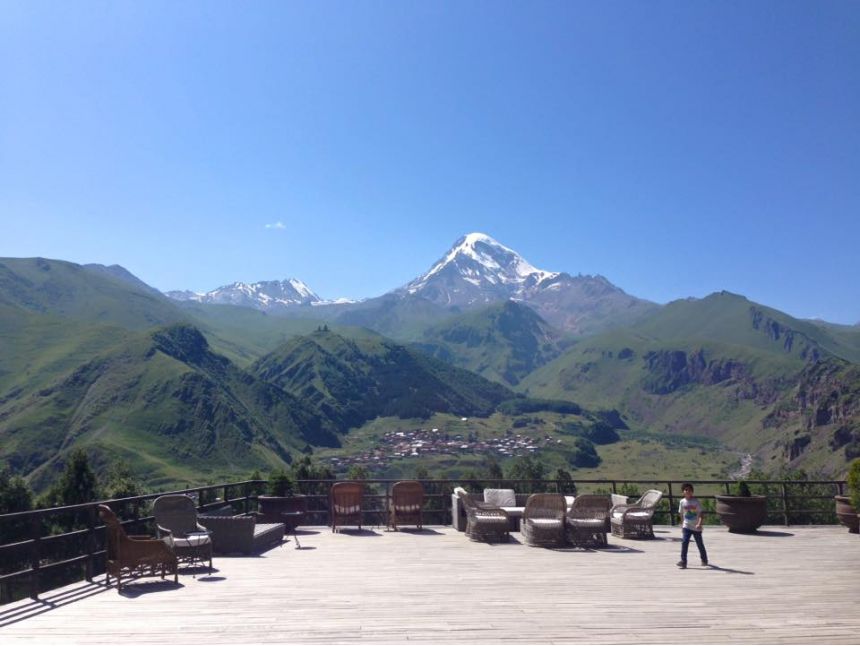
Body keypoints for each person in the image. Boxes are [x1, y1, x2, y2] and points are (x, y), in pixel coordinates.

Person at [677, 483, 708, 569]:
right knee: (684, 543)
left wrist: (699, 523)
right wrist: (681, 524)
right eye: (686, 490)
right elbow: (680, 514)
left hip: (696, 527)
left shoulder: (696, 502)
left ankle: (704, 559)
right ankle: (683, 561)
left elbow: (701, 514)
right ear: (683, 492)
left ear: (692, 492)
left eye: (689, 490)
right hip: (686, 526)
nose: (688, 491)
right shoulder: (682, 502)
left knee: (700, 544)